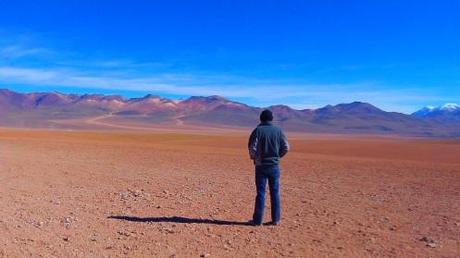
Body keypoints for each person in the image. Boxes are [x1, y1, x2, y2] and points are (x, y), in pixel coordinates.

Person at [248, 109, 289, 226]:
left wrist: (255, 159)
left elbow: (252, 148)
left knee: (261, 193)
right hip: (274, 166)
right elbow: (286, 147)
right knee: (275, 192)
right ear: (271, 119)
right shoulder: (278, 131)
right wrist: (277, 156)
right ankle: (276, 219)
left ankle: (258, 221)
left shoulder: (258, 131)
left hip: (261, 166)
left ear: (261, 119)